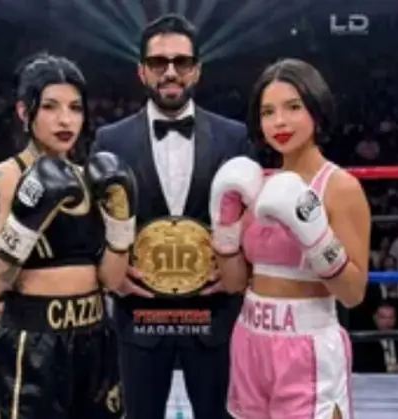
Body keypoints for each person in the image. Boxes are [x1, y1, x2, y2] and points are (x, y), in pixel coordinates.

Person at [92, 14, 251, 419]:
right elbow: (96, 219)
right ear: (142, 71)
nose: (170, 72)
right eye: (158, 62)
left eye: (181, 61)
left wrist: (236, 269)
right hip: (140, 310)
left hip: (213, 313)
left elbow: (250, 215)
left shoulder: (234, 136)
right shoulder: (110, 140)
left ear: (196, 69)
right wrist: (114, 274)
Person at [0, 52, 133, 419]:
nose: (65, 119)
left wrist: (122, 225)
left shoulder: (92, 179)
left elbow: (111, 279)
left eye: (75, 108)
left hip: (95, 335)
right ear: (24, 111)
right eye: (50, 106)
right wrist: (26, 222)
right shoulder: (2, 179)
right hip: (33, 342)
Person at [210, 58, 370, 419]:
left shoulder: (340, 187)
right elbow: (234, 282)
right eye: (268, 112)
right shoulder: (255, 184)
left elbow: (353, 293)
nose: (279, 122)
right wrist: (225, 228)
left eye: (293, 107)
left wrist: (317, 238)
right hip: (249, 338)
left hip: (307, 347)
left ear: (316, 109)